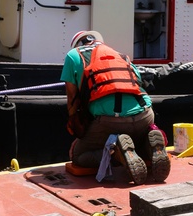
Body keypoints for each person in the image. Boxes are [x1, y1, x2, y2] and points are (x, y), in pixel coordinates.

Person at [61, 30, 169, 184]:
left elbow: (72, 98)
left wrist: (78, 130)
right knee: (133, 141)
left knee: (79, 156)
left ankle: (115, 153)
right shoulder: (121, 56)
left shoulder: (73, 55)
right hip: (145, 114)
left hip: (110, 120)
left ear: (77, 45)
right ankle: (150, 146)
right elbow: (137, 83)